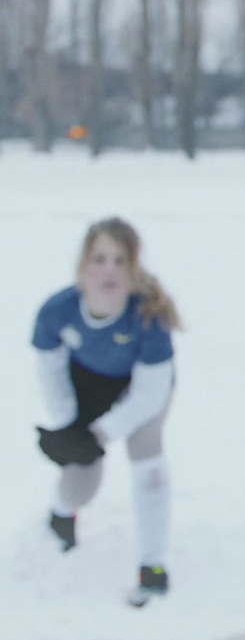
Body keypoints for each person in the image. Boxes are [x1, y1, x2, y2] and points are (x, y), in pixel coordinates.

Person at [32, 218, 182, 607]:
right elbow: (51, 374)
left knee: (148, 464)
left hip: (142, 392)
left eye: (120, 260)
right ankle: (61, 513)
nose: (110, 269)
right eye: (100, 259)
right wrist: (71, 429)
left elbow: (150, 394)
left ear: (133, 269)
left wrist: (101, 433)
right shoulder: (56, 312)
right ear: (83, 268)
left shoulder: (150, 317)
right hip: (86, 391)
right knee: (82, 483)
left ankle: (153, 564)